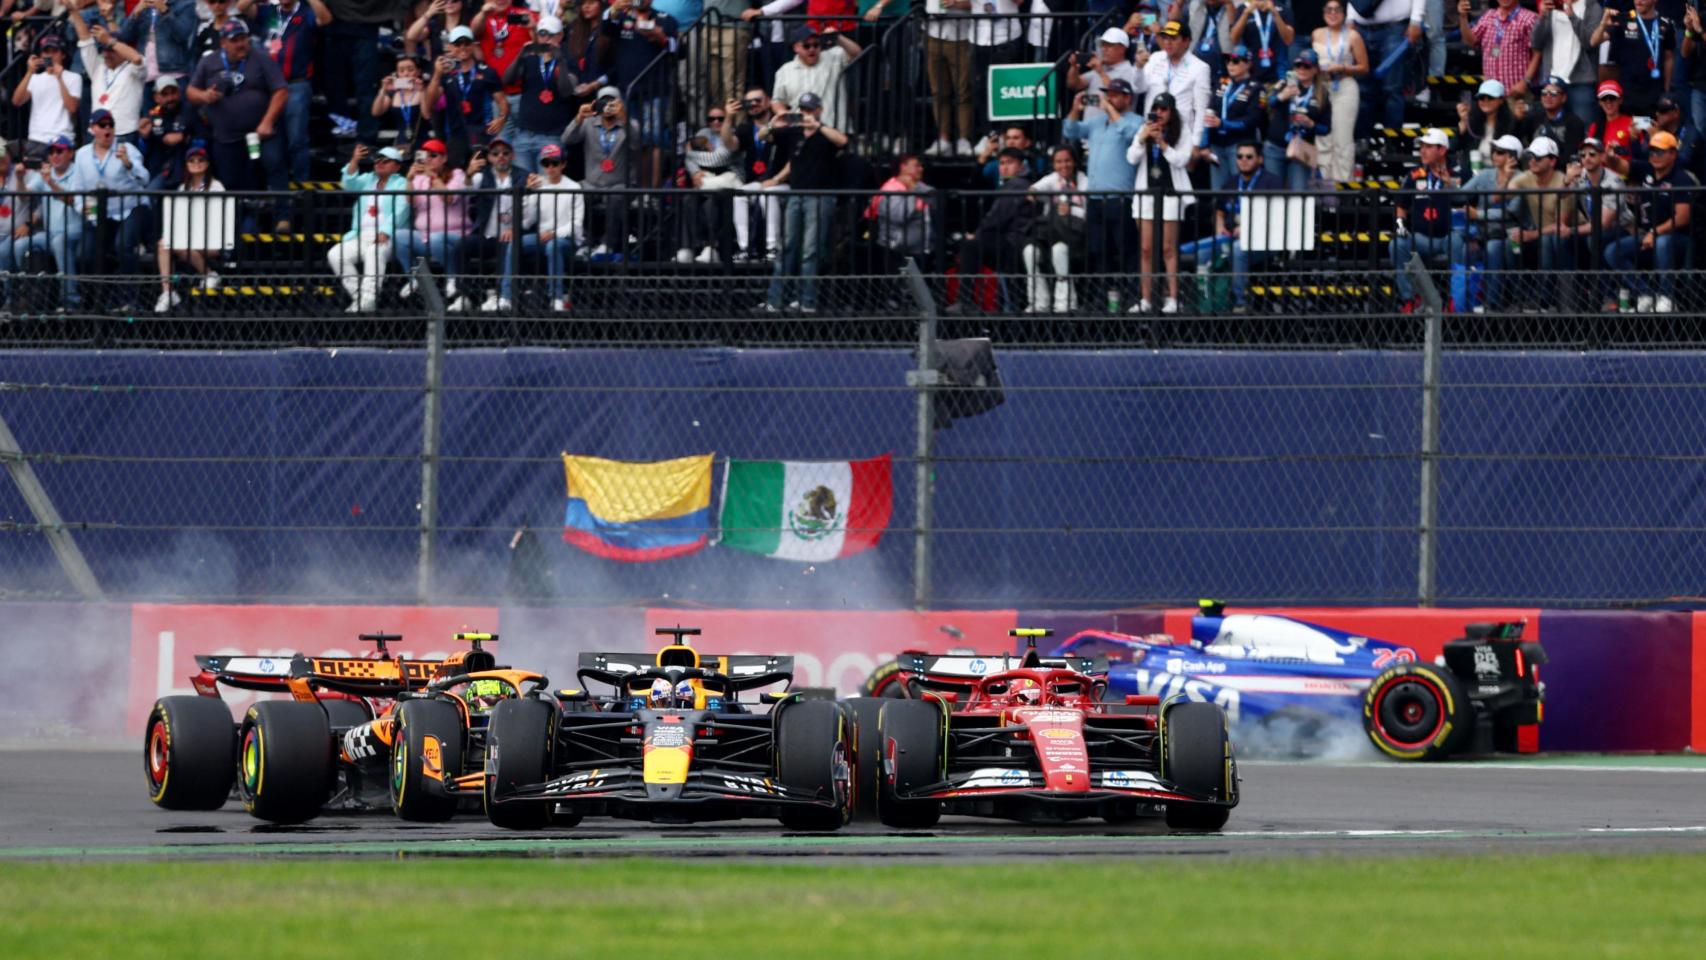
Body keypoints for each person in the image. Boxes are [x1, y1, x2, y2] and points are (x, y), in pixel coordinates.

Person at [185, 19, 290, 232]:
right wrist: (205, 95)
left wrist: (267, 122)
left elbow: (281, 90)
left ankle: (282, 217)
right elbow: (190, 92)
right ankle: (234, 225)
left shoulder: (261, 58)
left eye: (244, 38)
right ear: (223, 42)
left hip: (261, 134)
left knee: (274, 164)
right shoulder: (209, 62)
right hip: (226, 136)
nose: (241, 43)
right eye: (235, 40)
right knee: (230, 179)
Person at [1062, 78, 1143, 311]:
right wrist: (1076, 110)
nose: (1110, 98)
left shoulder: (1135, 121)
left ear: (1128, 98)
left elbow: (1131, 136)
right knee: (1099, 253)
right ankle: (1100, 301)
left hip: (1121, 199)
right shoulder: (1098, 122)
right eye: (1109, 94)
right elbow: (1070, 130)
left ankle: (1132, 299)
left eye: (1116, 95)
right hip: (1096, 199)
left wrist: (1110, 110)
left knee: (1127, 252)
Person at [763, 90, 847, 314]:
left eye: (811, 109)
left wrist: (817, 126)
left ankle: (807, 301)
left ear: (819, 110)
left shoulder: (825, 133)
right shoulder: (794, 133)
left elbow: (843, 141)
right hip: (796, 195)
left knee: (811, 251)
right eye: (803, 109)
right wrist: (773, 123)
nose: (806, 113)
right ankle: (776, 300)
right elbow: (763, 137)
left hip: (820, 197)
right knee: (787, 248)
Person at [1603, 128, 1695, 312]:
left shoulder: (1681, 178)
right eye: (1652, 151)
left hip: (1677, 238)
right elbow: (1618, 165)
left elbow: (1683, 217)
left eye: (1660, 151)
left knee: (1662, 243)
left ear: (1672, 154)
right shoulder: (1645, 169)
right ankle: (1645, 293)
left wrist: (1655, 232)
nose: (1654, 155)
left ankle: (1666, 297)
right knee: (1613, 251)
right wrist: (1610, 156)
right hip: (1647, 235)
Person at [72, 109, 152, 309]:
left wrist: (128, 164)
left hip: (131, 207)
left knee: (122, 246)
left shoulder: (127, 148)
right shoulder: (82, 155)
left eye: (110, 124)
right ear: (92, 129)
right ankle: (100, 297)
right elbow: (77, 189)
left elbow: (145, 179)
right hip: (100, 213)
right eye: (102, 125)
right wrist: (86, 210)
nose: (107, 128)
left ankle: (129, 299)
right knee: (85, 254)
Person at [946, 147, 1035, 313]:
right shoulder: (1015, 184)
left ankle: (964, 300)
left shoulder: (1017, 184)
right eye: (1001, 163)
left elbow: (997, 217)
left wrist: (976, 235)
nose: (1004, 167)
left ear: (1021, 166)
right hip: (1010, 240)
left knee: (970, 246)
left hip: (1012, 242)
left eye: (1010, 163)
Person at [252, 0, 332, 187]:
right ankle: (277, 189)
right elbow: (241, 7)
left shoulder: (306, 12)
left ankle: (301, 187)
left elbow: (326, 18)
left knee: (297, 140)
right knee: (271, 142)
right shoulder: (270, 12)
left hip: (296, 84)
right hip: (269, 88)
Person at [1127, 90, 1192, 315]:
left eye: (1163, 109)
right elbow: (1131, 158)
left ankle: (1172, 298)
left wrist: (1162, 143)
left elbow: (1181, 160)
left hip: (1170, 193)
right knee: (1146, 249)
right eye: (1156, 109)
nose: (1159, 113)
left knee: (1168, 248)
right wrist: (1143, 137)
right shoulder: (1144, 129)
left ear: (1172, 112)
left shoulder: (1182, 131)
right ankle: (1145, 298)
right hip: (1147, 193)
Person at [603, 0, 679, 187]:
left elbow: (678, 50)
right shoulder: (622, 17)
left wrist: (660, 36)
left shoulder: (665, 20)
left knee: (653, 139)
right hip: (628, 91)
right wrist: (613, 9)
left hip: (655, 90)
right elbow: (605, 29)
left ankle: (652, 192)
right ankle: (638, 188)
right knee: (635, 140)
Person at [327, 143, 407, 313]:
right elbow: (348, 184)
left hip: (390, 236)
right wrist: (355, 160)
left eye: (385, 161)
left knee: (374, 252)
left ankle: (369, 298)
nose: (379, 163)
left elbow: (401, 210)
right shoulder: (368, 179)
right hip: (361, 235)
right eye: (377, 160)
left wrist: (386, 231)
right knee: (335, 254)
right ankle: (360, 298)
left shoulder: (402, 183)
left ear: (397, 166)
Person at [1390, 128, 1466, 310]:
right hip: (1421, 238)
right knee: (1397, 244)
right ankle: (1410, 299)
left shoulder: (1458, 172)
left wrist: (1450, 184)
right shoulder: (1414, 175)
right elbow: (1401, 204)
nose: (1422, 151)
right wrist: (1400, 225)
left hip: (1450, 235)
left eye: (1428, 146)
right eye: (1421, 146)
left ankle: (1456, 300)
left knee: (1458, 242)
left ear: (1442, 150)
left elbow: (1466, 200)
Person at [153, 143, 231, 313]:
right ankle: (168, 292)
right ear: (186, 164)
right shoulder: (183, 188)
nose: (196, 163)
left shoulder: (216, 187)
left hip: (213, 238)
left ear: (207, 163)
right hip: (189, 236)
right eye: (192, 160)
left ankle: (209, 273)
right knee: (163, 243)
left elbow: (219, 218)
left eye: (201, 159)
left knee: (181, 245)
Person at [562, 86, 636, 260]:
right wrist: (579, 117)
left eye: (612, 102)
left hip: (618, 184)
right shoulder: (589, 122)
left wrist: (624, 119)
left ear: (620, 103)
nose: (608, 106)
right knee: (574, 190)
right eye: (604, 101)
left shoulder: (629, 123)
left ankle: (607, 244)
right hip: (592, 183)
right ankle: (583, 242)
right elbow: (566, 139)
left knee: (617, 196)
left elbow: (638, 144)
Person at [464, 138, 536, 312]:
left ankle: (500, 294)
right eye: (495, 153)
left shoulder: (524, 175)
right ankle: (465, 294)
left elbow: (531, 209)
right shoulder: (481, 175)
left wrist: (515, 229)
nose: (501, 157)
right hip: (487, 234)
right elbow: (466, 193)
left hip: (512, 234)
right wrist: (468, 175)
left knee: (507, 245)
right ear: (489, 157)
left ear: (512, 155)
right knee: (462, 246)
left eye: (505, 153)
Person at [503, 15, 582, 172]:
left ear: (560, 36)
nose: (545, 39)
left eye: (550, 35)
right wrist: (520, 55)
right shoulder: (530, 58)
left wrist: (560, 61)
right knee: (523, 188)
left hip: (551, 137)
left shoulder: (568, 61)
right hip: (525, 134)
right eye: (542, 34)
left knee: (546, 190)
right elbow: (507, 80)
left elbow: (567, 91)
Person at [423, 25, 509, 169]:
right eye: (458, 44)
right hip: (455, 134)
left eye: (466, 43)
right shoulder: (444, 73)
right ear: (450, 47)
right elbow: (429, 104)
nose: (463, 47)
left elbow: (503, 102)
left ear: (473, 45)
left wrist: (502, 118)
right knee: (457, 179)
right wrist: (437, 75)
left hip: (481, 133)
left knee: (481, 179)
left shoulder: (487, 72)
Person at [396, 138, 471, 296]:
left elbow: (449, 199)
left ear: (444, 158)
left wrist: (433, 178)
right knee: (398, 236)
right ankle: (415, 279)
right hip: (425, 236)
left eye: (434, 155)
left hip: (455, 236)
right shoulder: (419, 178)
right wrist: (409, 180)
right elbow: (410, 201)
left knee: (436, 239)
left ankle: (452, 278)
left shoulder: (457, 174)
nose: (428, 158)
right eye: (426, 155)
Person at [25, 137, 89, 311]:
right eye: (51, 152)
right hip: (50, 234)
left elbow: (72, 200)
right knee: (19, 245)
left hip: (76, 233)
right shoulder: (46, 173)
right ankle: (20, 299)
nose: (54, 156)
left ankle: (71, 300)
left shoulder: (78, 171)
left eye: (59, 151)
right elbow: (23, 196)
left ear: (70, 153)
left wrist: (50, 183)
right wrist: (18, 176)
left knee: (59, 241)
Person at [1022, 145, 1088, 313]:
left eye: (1067, 161)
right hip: (1050, 233)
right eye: (1058, 162)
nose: (1063, 165)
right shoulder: (1053, 178)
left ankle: (1065, 302)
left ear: (1074, 162)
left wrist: (1071, 210)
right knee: (1030, 252)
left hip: (1074, 233)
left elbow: (1089, 214)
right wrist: (1035, 193)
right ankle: (1039, 302)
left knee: (1059, 250)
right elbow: (1033, 190)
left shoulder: (1084, 180)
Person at [1348, 0, 1426, 140]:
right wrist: (1350, 17)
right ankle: (1362, 142)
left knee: (1392, 89)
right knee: (1362, 90)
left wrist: (1416, 19)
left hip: (1394, 27)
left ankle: (1392, 144)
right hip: (1361, 28)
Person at [1461, 133, 1522, 312]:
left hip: (1513, 234)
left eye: (1501, 152)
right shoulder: (1486, 174)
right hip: (1484, 231)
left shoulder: (1522, 178)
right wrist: (1448, 184)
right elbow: (1462, 193)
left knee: (1494, 248)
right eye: (1495, 151)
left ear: (1513, 157)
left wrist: (1478, 214)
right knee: (1463, 248)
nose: (1495, 155)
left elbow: (1511, 212)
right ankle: (1466, 302)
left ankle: (1492, 304)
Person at [725, 88, 787, 261]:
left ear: (768, 101)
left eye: (757, 100)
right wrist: (729, 117)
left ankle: (773, 247)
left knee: (768, 194)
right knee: (739, 195)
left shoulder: (782, 124)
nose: (753, 105)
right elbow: (730, 144)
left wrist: (776, 179)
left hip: (781, 182)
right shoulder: (745, 129)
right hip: (757, 182)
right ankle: (745, 248)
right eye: (748, 102)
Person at [1507, 135, 1579, 285]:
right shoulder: (1527, 177)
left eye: (1538, 157)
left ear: (1552, 161)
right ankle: (1517, 295)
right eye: (1530, 156)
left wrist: (1531, 234)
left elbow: (1561, 225)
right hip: (1540, 233)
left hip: (1569, 235)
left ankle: (1545, 298)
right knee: (1507, 244)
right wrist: (1506, 175)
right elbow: (1506, 194)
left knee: (1547, 241)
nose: (1532, 161)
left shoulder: (1563, 182)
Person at [69, 6, 146, 143]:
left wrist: (110, 41)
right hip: (95, 133)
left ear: (121, 49)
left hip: (124, 133)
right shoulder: (98, 66)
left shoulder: (133, 68)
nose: (106, 54)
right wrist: (74, 11)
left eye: (111, 50)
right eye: (104, 50)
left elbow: (137, 59)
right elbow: (85, 39)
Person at [1312, 1, 1368, 184]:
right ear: (1323, 13)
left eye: (1337, 10)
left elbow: (1364, 67)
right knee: (1323, 138)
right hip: (1322, 87)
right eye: (1329, 10)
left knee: (1342, 138)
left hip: (1344, 86)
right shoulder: (1317, 34)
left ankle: (1343, 187)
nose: (1333, 13)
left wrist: (1343, 67)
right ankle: (1324, 187)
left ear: (1343, 14)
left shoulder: (1353, 36)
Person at [1569, 135, 1628, 310]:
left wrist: (1571, 230)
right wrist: (1566, 181)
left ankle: (1606, 294)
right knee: (1565, 241)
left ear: (1603, 157)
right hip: (1594, 228)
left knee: (1593, 239)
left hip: (1621, 228)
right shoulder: (1579, 177)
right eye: (1583, 155)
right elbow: (1562, 203)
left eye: (1592, 154)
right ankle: (1573, 296)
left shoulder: (1614, 181)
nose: (1586, 158)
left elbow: (1604, 223)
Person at [1590, 0, 1676, 118]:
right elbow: (1594, 41)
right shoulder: (1623, 19)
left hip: (1654, 93)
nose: (1638, 1)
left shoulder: (1665, 24)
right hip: (1627, 94)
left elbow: (1668, 57)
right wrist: (1603, 23)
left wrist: (1666, 88)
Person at [771, 24, 860, 134]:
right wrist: (783, 113)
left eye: (816, 45)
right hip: (801, 131)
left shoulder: (833, 56)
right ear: (796, 48)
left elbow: (856, 53)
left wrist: (838, 37)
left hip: (835, 131)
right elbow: (777, 100)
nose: (812, 49)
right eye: (806, 46)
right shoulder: (784, 71)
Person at [472, 0, 539, 142]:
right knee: (502, 144)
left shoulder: (521, 15)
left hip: (524, 94)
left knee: (527, 143)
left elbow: (541, 47)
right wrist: (484, 13)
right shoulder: (485, 18)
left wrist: (533, 29)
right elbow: (473, 32)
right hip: (497, 96)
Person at [1263, 49, 1329, 191]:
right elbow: (1268, 104)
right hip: (1276, 145)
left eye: (1307, 66)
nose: (1301, 69)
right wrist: (1282, 96)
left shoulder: (1322, 93)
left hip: (1301, 147)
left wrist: (1311, 124)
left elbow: (1327, 128)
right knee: (1272, 195)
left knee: (1299, 194)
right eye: (1298, 65)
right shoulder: (1285, 83)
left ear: (1315, 69)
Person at [1529, 0, 1603, 127]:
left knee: (1583, 132)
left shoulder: (1592, 7)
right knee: (1548, 133)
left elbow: (1590, 42)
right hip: (1551, 81)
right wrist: (1542, 17)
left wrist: (1571, 15)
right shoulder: (1551, 4)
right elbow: (1536, 43)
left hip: (1581, 83)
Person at [1142, 21, 1212, 154]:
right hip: (1152, 129)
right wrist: (1138, 69)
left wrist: (1196, 144)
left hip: (1180, 135)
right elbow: (1139, 88)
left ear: (1186, 42)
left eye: (1173, 38)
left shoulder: (1200, 68)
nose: (1168, 42)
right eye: (1165, 38)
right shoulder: (1155, 58)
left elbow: (1200, 109)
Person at [676, 122, 741, 264]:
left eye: (721, 118)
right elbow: (690, 159)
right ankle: (688, 248)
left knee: (711, 204)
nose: (716, 121)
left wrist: (691, 154)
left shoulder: (733, 137)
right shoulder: (704, 133)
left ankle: (711, 247)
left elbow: (719, 159)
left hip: (727, 188)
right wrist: (695, 172)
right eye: (712, 118)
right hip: (705, 188)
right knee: (688, 199)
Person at [1203, 45, 1266, 189]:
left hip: (1239, 146)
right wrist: (1204, 144)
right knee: (1218, 192)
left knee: (1239, 188)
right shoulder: (1222, 82)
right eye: (1228, 60)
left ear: (1248, 63)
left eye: (1236, 61)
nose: (1230, 64)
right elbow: (1210, 111)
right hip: (1217, 145)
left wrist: (1223, 124)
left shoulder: (1257, 88)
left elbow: (1252, 121)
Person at [532, 142, 584, 311]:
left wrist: (554, 233)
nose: (550, 168)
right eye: (546, 164)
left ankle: (557, 297)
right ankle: (506, 296)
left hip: (566, 240)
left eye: (554, 163)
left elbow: (576, 225)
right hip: (542, 237)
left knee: (553, 246)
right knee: (513, 243)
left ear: (563, 164)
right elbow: (526, 220)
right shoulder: (537, 185)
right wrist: (528, 193)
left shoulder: (575, 187)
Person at [12, 35, 82, 158]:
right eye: (46, 52)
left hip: (62, 138)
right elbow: (16, 101)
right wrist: (29, 72)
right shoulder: (35, 78)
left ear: (63, 55)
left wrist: (59, 78)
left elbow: (72, 108)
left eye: (55, 51)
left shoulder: (74, 78)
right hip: (36, 139)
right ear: (41, 55)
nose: (50, 56)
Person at [868, 153, 937, 277]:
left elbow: (933, 198)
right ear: (903, 167)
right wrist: (911, 191)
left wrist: (914, 188)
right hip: (897, 251)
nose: (921, 169)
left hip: (922, 250)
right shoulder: (890, 190)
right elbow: (900, 216)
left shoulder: (919, 186)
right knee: (900, 291)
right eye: (917, 166)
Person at [921, 0, 975, 157]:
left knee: (964, 91)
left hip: (961, 36)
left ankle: (964, 139)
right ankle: (943, 139)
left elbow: (981, 4)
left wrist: (957, 3)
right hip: (933, 34)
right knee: (938, 92)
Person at [115, 0, 202, 95]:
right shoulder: (144, 4)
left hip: (174, 74)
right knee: (148, 110)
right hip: (146, 76)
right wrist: (135, 14)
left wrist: (165, 11)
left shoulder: (185, 4)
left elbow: (182, 36)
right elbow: (125, 37)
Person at [1459, 0, 1539, 100]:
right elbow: (1470, 41)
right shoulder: (1489, 16)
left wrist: (1525, 82)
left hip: (1516, 92)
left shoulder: (1529, 18)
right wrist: (1463, 17)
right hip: (1491, 94)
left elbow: (1538, 53)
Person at [0, 148, 50, 309]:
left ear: (9, 155)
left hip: (16, 232)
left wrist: (28, 224)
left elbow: (40, 204)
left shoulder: (25, 172)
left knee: (5, 250)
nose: (2, 159)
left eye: (3, 155)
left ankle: (11, 298)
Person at [1068, 27, 1143, 125]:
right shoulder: (1100, 68)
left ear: (1122, 48)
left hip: (1115, 133)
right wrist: (1074, 67)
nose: (1104, 49)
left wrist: (1101, 72)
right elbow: (1074, 84)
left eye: (1110, 45)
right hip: (1089, 133)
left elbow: (1117, 96)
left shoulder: (1131, 71)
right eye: (1103, 45)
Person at [373, 56, 434, 157]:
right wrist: (383, 90)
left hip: (422, 140)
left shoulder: (424, 91)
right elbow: (376, 112)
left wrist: (422, 91)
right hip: (401, 142)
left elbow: (426, 115)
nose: (406, 74)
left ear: (418, 72)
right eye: (401, 71)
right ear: (397, 74)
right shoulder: (394, 94)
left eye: (410, 70)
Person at [1229, 0, 1296, 86]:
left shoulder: (1282, 10)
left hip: (1277, 72)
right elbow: (1234, 39)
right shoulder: (1243, 9)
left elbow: (1289, 40)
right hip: (1250, 71)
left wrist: (1275, 14)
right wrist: (1246, 14)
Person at [1518, 75, 1587, 159]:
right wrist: (1517, 120)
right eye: (1544, 93)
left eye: (1553, 93)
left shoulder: (1574, 123)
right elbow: (1514, 140)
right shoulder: (1534, 117)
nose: (1548, 96)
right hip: (1534, 166)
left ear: (1564, 98)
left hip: (1560, 170)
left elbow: (1569, 156)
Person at [1458, 78, 1520, 168]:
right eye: (1481, 98)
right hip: (1475, 173)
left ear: (1501, 100)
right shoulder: (1471, 122)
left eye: (1490, 97)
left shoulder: (1511, 124)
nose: (1485, 101)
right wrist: (1462, 124)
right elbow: (1454, 147)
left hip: (1502, 173)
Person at [1641, 94, 1705, 179]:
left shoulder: (1690, 133)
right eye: (1657, 110)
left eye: (1663, 111)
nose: (1658, 114)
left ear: (1676, 113)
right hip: (1661, 180)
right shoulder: (1655, 131)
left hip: (1690, 183)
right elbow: (1643, 157)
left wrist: (1658, 142)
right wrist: (1634, 141)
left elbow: (1683, 162)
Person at [974, 125, 1046, 187]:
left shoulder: (1037, 162)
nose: (1011, 142)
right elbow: (977, 185)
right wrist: (983, 157)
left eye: (1016, 138)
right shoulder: (995, 165)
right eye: (1008, 138)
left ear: (1027, 142)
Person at [1588, 79, 1639, 158]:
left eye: (1612, 98)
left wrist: (1634, 140)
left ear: (1620, 100)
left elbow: (1641, 154)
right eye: (1604, 98)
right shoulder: (1594, 127)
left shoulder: (1632, 123)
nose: (1608, 102)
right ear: (1600, 103)